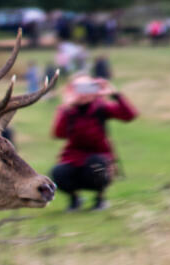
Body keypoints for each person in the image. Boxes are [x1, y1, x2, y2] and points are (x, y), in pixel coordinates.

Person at [50, 74, 137, 211]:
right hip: (74, 158)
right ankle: (75, 199)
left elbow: (129, 116)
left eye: (87, 87)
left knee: (97, 165)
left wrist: (115, 94)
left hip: (99, 157)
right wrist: (66, 108)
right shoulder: (68, 110)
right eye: (79, 88)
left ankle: (100, 198)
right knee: (58, 172)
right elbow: (59, 134)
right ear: (72, 90)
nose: (84, 93)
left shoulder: (100, 107)